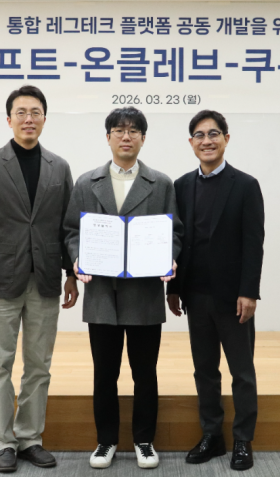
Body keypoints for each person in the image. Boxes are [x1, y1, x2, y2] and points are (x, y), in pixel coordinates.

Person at [0, 85, 78, 473]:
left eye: (36, 112)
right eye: (21, 112)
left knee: (39, 365)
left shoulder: (59, 167)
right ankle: (3, 443)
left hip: (45, 279)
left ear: (45, 118)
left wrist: (70, 273)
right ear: (9, 119)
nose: (29, 118)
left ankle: (30, 438)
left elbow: (67, 227)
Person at [63, 107, 182, 469]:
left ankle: (144, 440)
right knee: (105, 374)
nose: (126, 136)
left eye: (133, 131)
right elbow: (71, 231)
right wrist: (77, 259)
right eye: (119, 130)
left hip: (144, 294)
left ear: (143, 138)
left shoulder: (161, 183)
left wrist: (171, 257)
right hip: (101, 294)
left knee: (145, 373)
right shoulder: (86, 182)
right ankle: (106, 441)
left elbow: (174, 232)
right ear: (108, 137)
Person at [166, 110, 265, 471]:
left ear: (226, 138)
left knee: (242, 372)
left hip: (233, 298)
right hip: (195, 295)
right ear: (191, 142)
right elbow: (177, 241)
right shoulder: (181, 186)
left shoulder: (245, 185)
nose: (206, 141)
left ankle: (242, 440)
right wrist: (174, 289)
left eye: (213, 134)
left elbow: (253, 243)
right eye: (199, 135)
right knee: (204, 371)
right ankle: (212, 436)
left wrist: (249, 292)